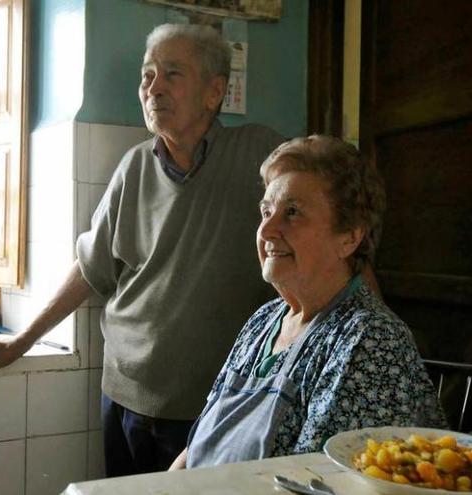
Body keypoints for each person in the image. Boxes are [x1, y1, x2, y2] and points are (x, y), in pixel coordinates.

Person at [0, 23, 285, 475]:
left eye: (172, 74)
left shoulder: (259, 155)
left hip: (214, 402)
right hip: (124, 393)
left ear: (214, 92)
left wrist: (369, 315)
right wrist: (22, 341)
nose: (153, 88)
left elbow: (328, 219)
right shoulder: (133, 168)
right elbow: (91, 268)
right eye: (147, 76)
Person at [169, 135, 447, 470]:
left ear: (349, 237)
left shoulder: (369, 340)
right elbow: (197, 446)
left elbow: (317, 481)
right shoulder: (264, 321)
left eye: (293, 213)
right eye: (266, 211)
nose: (267, 230)